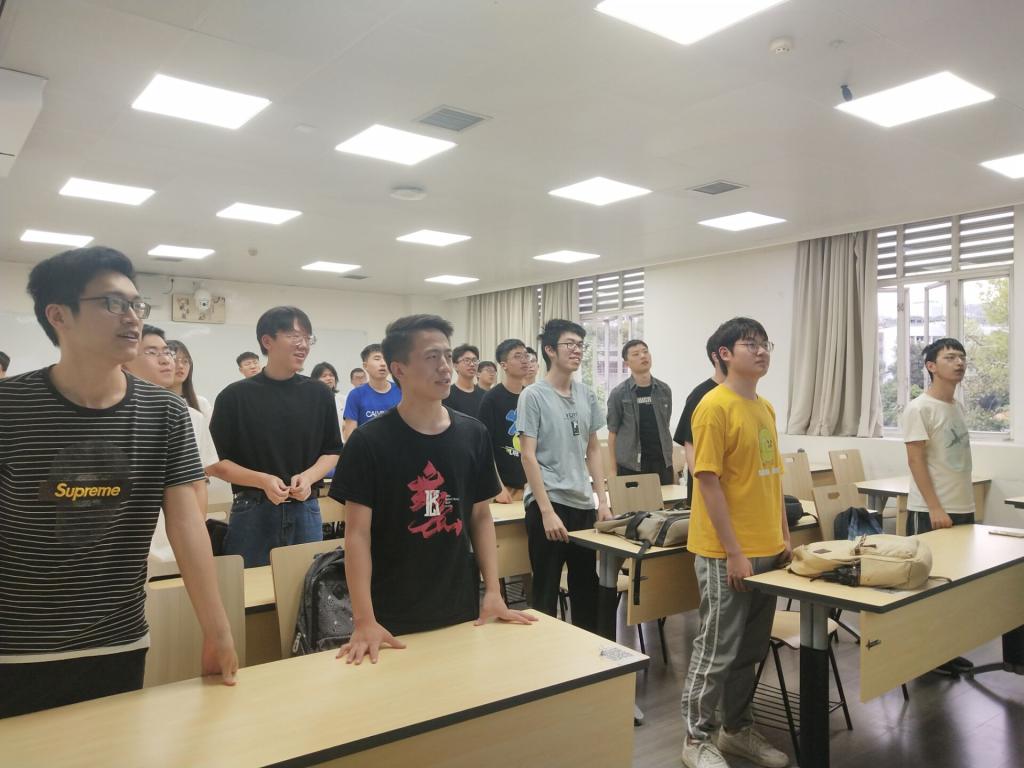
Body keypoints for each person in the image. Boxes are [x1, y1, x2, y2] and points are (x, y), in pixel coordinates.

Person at [0, 246, 236, 719]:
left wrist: (217, 630)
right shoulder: (10, 406)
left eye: (136, 304)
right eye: (112, 303)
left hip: (119, 639)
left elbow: (187, 527)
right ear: (59, 315)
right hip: (16, 645)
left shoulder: (166, 413)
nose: (132, 317)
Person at [330, 315, 535, 664]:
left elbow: (480, 518)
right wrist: (364, 620)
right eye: (431, 357)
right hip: (391, 614)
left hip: (460, 603)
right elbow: (357, 536)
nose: (444, 367)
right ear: (399, 369)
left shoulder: (473, 434)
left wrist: (493, 591)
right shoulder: (368, 442)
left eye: (447, 355)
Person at [680, 317, 790, 768]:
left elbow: (772, 478)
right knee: (716, 651)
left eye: (765, 344)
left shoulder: (765, 408)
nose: (761, 351)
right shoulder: (713, 406)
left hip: (767, 549)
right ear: (724, 354)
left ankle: (736, 730)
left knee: (749, 651)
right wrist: (735, 551)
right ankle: (695, 739)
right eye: (750, 344)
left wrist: (783, 536)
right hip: (725, 552)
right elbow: (707, 483)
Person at [208, 307, 342, 567]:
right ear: (267, 341)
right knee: (249, 586)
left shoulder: (319, 394)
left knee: (308, 584)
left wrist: (309, 477)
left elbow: (332, 450)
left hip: (306, 509)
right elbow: (214, 463)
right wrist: (262, 481)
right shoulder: (234, 397)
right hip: (252, 511)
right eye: (294, 336)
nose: (303, 345)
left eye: (308, 338)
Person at [517, 320, 610, 631]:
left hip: (582, 504)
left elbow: (593, 449)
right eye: (569, 344)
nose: (577, 350)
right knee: (546, 590)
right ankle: (545, 654)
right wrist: (546, 511)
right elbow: (528, 455)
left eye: (580, 345)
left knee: (586, 588)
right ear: (549, 350)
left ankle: (586, 653)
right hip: (549, 502)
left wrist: (602, 501)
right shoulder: (533, 395)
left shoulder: (586, 394)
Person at [903, 337, 976, 675]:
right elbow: (915, 460)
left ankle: (945, 651)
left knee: (955, 584)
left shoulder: (957, 406)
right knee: (929, 584)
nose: (959, 362)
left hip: (962, 505)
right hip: (931, 510)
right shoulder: (919, 408)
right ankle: (924, 657)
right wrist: (935, 507)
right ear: (931, 366)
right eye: (950, 357)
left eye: (962, 357)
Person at [127, 329, 219, 577]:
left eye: (167, 352)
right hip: (129, 550)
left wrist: (195, 537)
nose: (166, 359)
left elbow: (198, 485)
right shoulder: (112, 416)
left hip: (175, 547)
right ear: (125, 360)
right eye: (152, 352)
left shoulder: (192, 417)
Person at [606, 340, 674, 484]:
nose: (643, 356)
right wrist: (612, 469)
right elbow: (613, 433)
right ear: (627, 363)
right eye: (636, 354)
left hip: (662, 464)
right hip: (631, 466)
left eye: (645, 351)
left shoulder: (664, 390)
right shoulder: (619, 393)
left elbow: (665, 425)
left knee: (666, 499)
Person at [675, 330, 727, 505]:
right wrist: (704, 488)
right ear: (717, 356)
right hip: (709, 494)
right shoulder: (701, 395)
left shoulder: (746, 396)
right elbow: (690, 445)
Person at [478, 339, 530, 503]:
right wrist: (497, 486)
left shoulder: (531, 396)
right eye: (517, 356)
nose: (524, 360)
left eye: (526, 355)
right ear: (504, 365)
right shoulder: (491, 399)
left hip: (531, 484)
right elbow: (484, 447)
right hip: (504, 487)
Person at [342, 344, 401, 441]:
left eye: (386, 358)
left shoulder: (402, 391)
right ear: (365, 366)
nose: (383, 363)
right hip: (367, 448)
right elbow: (350, 436)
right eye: (377, 359)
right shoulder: (356, 395)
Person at [168, 339, 212, 420]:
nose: (180, 366)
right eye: (174, 361)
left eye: (185, 361)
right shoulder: (153, 403)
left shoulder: (201, 403)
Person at [442, 343, 486, 418]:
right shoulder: (446, 395)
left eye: (474, 360)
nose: (472, 364)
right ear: (455, 366)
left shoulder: (484, 395)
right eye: (467, 360)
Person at [311, 361, 345, 430]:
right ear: (315, 380)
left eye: (331, 375)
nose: (329, 378)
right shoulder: (310, 401)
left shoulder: (343, 399)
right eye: (324, 376)